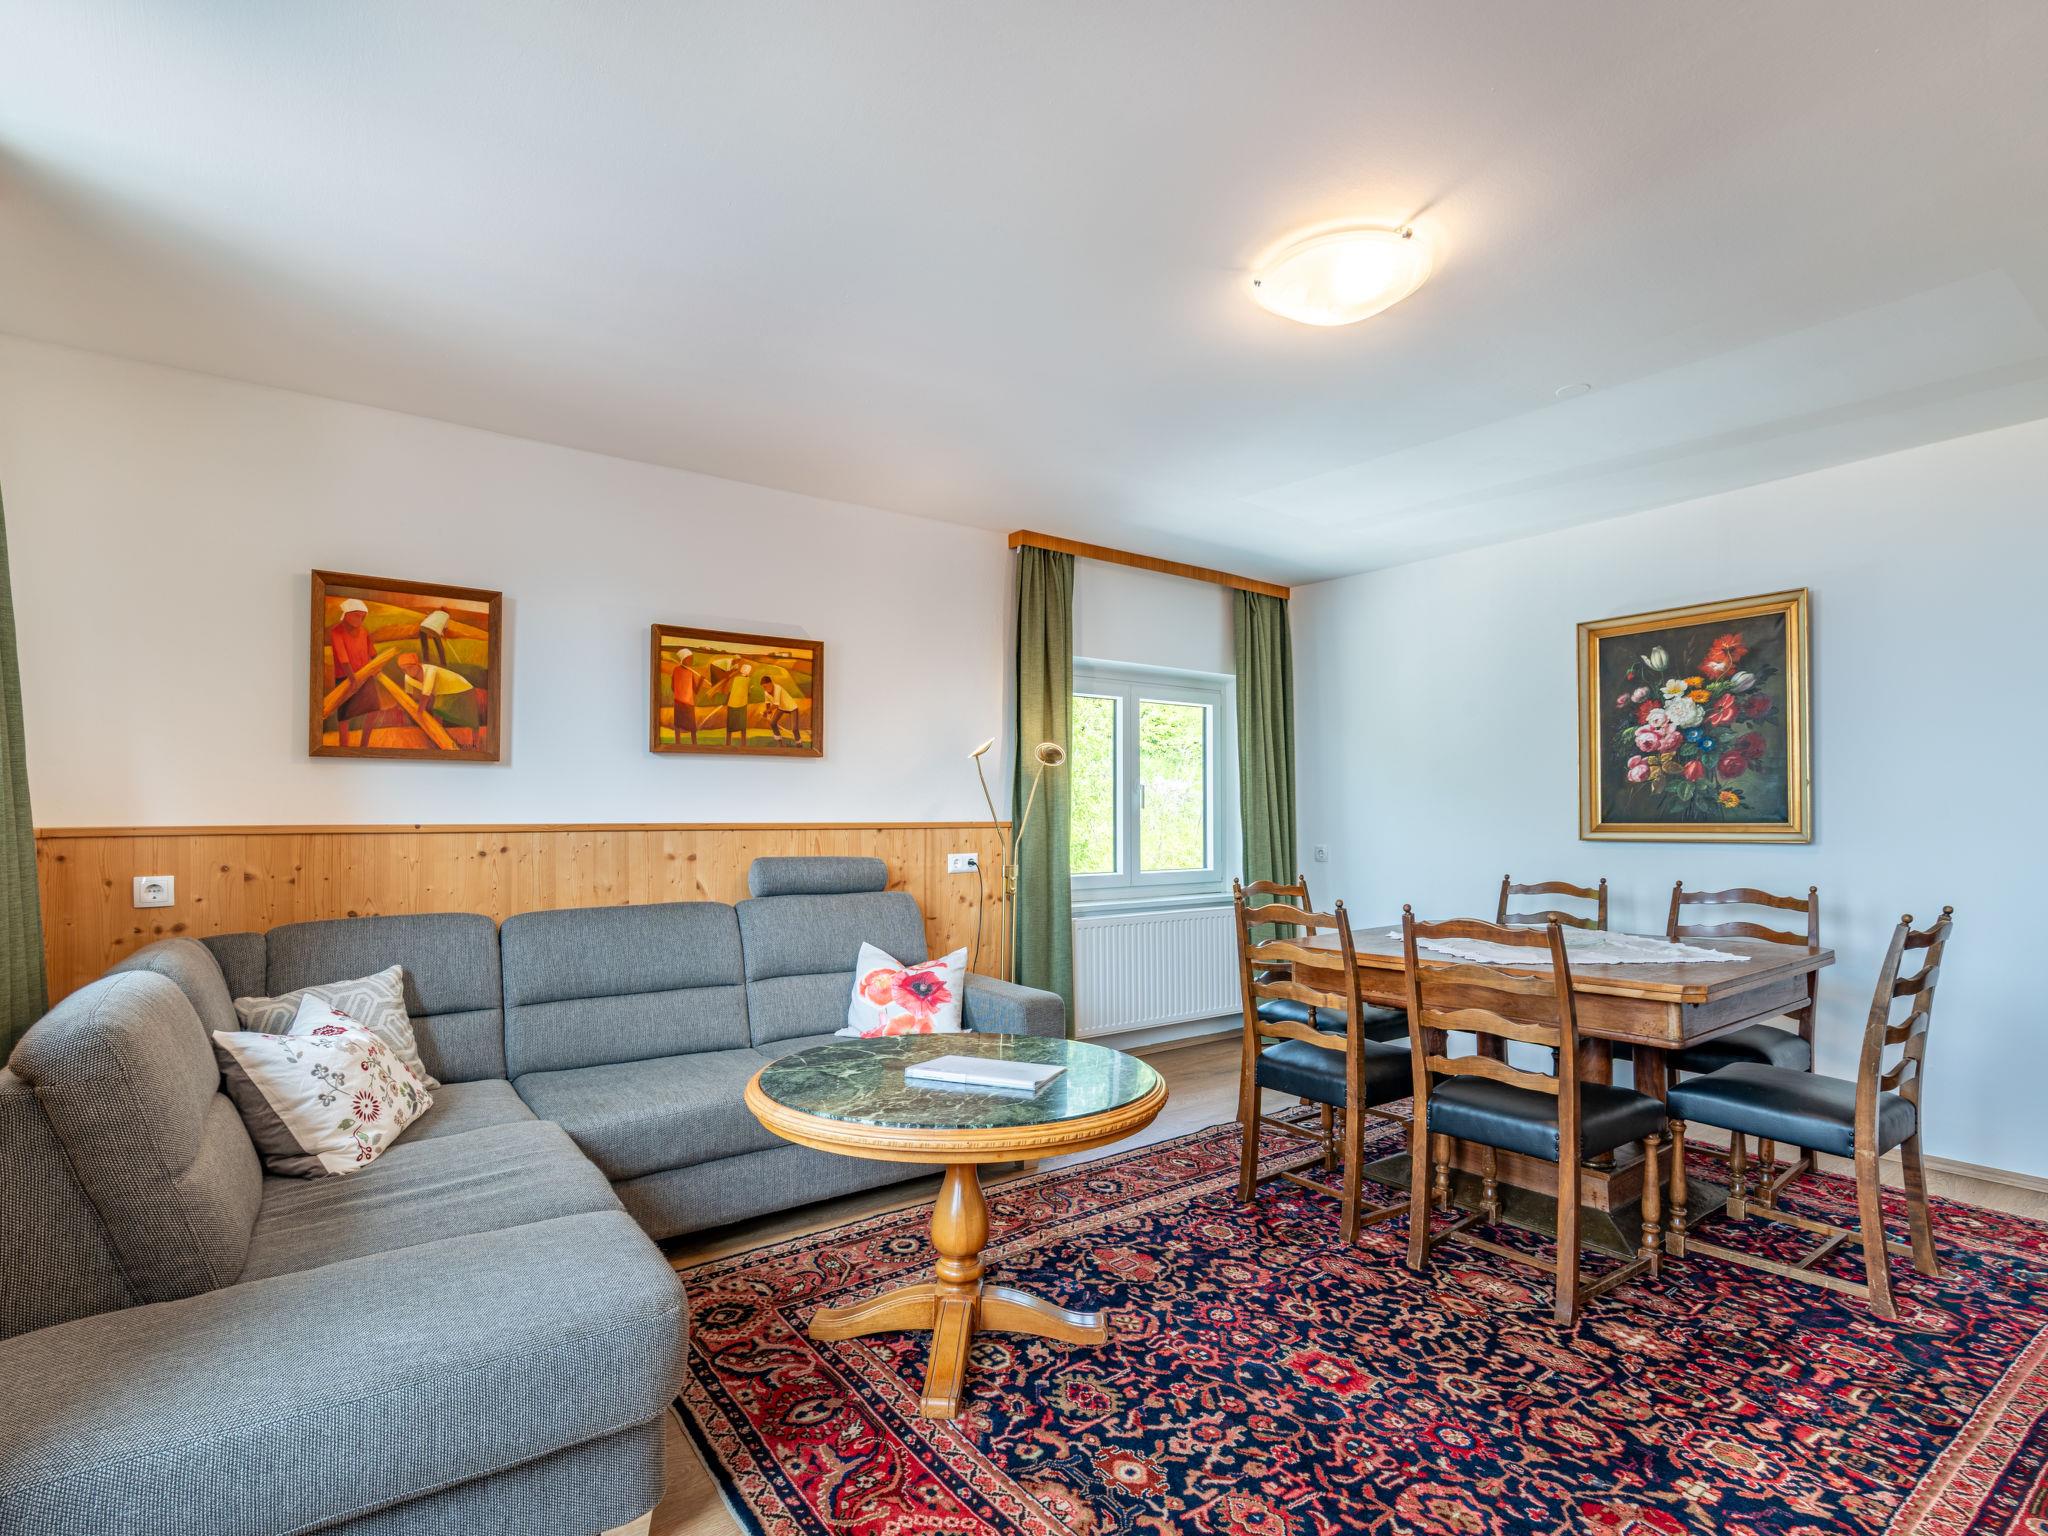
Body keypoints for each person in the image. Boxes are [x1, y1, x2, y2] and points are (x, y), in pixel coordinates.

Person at [393, 651, 483, 743]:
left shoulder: (430, 671)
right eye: (404, 670)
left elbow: (426, 694)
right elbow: (408, 694)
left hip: (461, 688)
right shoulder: (407, 678)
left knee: (467, 718)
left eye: (410, 667)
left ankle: (474, 742)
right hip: (442, 692)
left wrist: (419, 713)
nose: (408, 672)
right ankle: (439, 736)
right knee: (437, 711)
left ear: (417, 664)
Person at [328, 597, 381, 748]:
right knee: (345, 716)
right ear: (347, 614)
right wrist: (353, 679)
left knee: (374, 709)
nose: (360, 620)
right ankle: (344, 747)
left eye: (363, 617)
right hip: (345, 677)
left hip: (365, 675)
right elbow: (343, 659)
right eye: (357, 616)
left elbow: (372, 652)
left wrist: (376, 666)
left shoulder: (364, 631)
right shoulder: (337, 632)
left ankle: (364, 746)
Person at [668, 649, 700, 746]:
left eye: (691, 659)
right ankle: (678, 744)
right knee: (678, 725)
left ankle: (694, 745)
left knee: (692, 727)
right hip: (679, 702)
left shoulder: (691, 672)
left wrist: (701, 681)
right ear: (684, 659)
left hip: (689, 703)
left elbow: (696, 690)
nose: (691, 661)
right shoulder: (676, 670)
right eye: (689, 659)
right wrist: (680, 692)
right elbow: (673, 687)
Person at [760, 673, 802, 743]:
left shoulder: (777, 688)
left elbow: (776, 705)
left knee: (794, 729)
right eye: (763, 687)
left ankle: (799, 743)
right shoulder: (766, 692)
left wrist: (766, 711)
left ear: (770, 683)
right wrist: (768, 714)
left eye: (765, 686)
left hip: (792, 707)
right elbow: (767, 703)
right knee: (772, 723)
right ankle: (779, 741)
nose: (765, 689)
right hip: (781, 708)